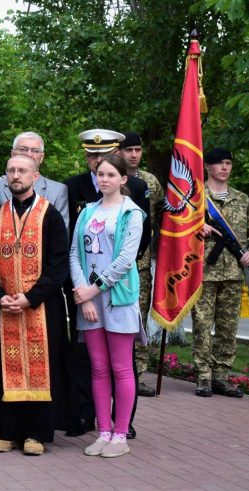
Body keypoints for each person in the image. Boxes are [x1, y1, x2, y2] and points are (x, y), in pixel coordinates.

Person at [0, 154, 71, 455]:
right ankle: (7, 431)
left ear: (35, 176)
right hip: (3, 307)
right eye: (11, 170)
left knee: (42, 368)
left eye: (22, 171)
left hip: (40, 307)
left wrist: (31, 297)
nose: (16, 175)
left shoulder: (50, 216)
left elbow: (58, 265)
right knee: (2, 366)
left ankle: (36, 434)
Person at [69, 153, 146, 459]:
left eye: (111, 175)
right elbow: (74, 252)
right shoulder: (87, 212)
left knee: (121, 368)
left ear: (123, 179)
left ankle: (120, 433)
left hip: (118, 299)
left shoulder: (131, 213)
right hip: (90, 301)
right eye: (101, 174)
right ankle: (103, 430)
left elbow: (126, 260)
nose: (104, 180)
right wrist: (84, 294)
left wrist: (94, 288)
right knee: (98, 368)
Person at [193, 148, 249, 398]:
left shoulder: (242, 199)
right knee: (202, 325)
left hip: (233, 274)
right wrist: (196, 228)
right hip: (204, 272)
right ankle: (203, 376)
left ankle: (221, 376)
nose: (225, 167)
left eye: (228, 163)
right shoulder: (197, 199)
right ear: (208, 167)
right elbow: (178, 231)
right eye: (219, 163)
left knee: (227, 328)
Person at [118, 132, 165, 397]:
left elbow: (160, 219)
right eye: (129, 150)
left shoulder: (151, 182)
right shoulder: (110, 174)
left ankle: (137, 374)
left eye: (138, 149)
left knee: (138, 317)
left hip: (141, 263)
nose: (134, 154)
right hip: (111, 265)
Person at [0, 131, 70, 228]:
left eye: (35, 151)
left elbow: (61, 235)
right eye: (23, 149)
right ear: (13, 153)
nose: (28, 154)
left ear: (41, 157)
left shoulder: (57, 191)